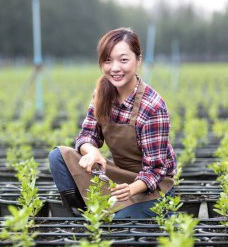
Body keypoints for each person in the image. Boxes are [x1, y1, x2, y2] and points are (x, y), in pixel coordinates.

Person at [49, 27, 177, 218]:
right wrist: (92, 152)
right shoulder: (102, 93)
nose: (115, 68)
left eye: (123, 60)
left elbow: (156, 170)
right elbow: (87, 135)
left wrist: (131, 190)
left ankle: (117, 212)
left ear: (138, 60)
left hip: (152, 186)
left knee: (117, 221)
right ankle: (80, 217)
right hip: (118, 175)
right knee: (58, 157)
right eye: (108, 60)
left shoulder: (152, 107)